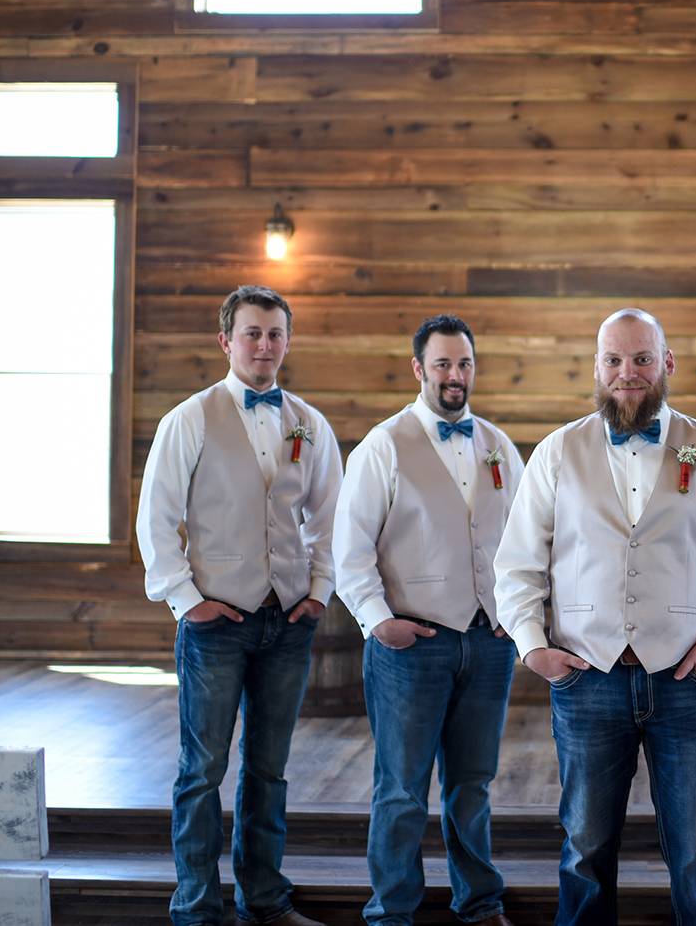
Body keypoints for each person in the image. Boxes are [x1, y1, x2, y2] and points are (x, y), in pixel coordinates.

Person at [494, 308, 696, 926]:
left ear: (667, 363)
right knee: (585, 852)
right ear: (596, 368)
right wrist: (531, 645)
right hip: (586, 680)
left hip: (689, 684)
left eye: (643, 359)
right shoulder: (556, 451)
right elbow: (516, 565)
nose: (629, 373)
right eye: (615, 361)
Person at [139, 285, 341, 926]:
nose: (265, 345)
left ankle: (265, 899)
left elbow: (332, 517)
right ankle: (197, 907)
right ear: (227, 341)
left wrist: (318, 592)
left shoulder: (308, 422)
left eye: (275, 334)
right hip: (215, 624)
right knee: (202, 769)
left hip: (288, 623)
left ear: (287, 341)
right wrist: (185, 600)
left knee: (270, 769)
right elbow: (156, 518)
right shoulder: (190, 419)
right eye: (252, 333)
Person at [334, 314, 522, 926]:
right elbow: (350, 548)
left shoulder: (498, 445)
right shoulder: (384, 446)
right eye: (442, 364)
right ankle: (391, 912)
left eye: (464, 364)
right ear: (419, 369)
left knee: (473, 786)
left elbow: (524, 542)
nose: (454, 375)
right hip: (410, 643)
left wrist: (516, 617)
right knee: (402, 790)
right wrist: (376, 620)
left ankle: (480, 902)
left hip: (487, 643)